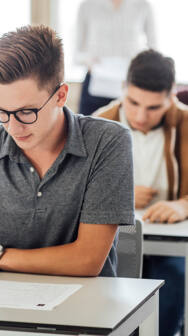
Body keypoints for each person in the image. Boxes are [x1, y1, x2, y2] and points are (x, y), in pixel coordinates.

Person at [0, 25, 135, 295]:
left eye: (26, 112)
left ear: (60, 96)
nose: (13, 127)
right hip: (6, 305)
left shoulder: (108, 141)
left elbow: (87, 260)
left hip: (89, 309)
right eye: (2, 112)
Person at [96, 49, 188, 336]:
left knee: (171, 276)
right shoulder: (99, 122)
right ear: (123, 88)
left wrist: (185, 205)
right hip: (112, 239)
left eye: (153, 108)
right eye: (133, 103)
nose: (140, 116)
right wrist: (118, 196)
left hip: (170, 238)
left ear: (172, 95)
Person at [75, 0, 156, 115]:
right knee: (87, 127)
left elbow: (153, 51)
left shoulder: (143, 5)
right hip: (96, 85)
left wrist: (140, 66)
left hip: (130, 84)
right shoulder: (87, 6)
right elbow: (77, 54)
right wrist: (88, 61)